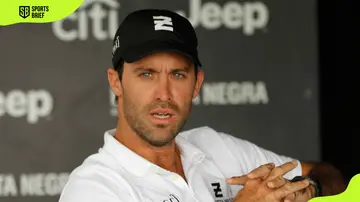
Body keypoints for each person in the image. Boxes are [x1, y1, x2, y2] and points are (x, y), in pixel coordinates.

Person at [58, 9, 346, 202]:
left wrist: (304, 190)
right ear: (116, 82)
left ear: (197, 84)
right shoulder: (93, 188)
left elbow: (329, 176)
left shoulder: (212, 147)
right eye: (146, 74)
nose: (164, 93)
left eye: (178, 74)